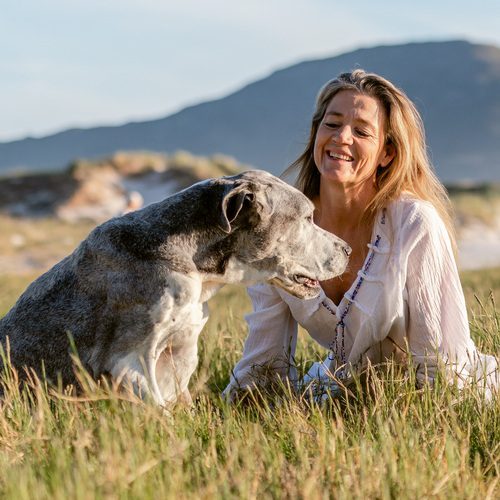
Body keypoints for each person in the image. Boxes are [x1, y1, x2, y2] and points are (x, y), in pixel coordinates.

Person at [223, 69, 498, 401]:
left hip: (444, 388)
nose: (342, 137)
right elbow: (263, 366)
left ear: (387, 153)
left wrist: (416, 424)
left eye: (362, 131)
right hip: (344, 388)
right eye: (333, 124)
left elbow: (441, 367)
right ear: (316, 133)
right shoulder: (277, 232)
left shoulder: (414, 223)